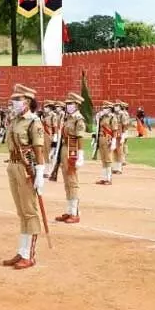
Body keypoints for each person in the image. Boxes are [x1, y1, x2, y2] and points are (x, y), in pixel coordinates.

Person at [2, 84, 47, 270]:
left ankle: (29, 255)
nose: (14, 102)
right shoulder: (16, 120)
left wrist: (40, 172)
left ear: (27, 101)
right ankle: (22, 251)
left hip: (26, 168)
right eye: (13, 99)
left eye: (17, 99)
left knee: (29, 211)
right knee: (21, 212)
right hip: (12, 165)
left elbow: (38, 148)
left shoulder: (33, 122)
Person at [55, 92, 86, 224]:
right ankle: (68, 211)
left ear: (77, 105)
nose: (68, 106)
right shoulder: (67, 118)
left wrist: (80, 155)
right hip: (64, 147)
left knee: (72, 181)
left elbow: (79, 138)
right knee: (67, 181)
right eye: (67, 104)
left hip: (73, 147)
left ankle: (75, 212)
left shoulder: (79, 119)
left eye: (71, 104)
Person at [96, 100, 119, 185]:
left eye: (105, 108)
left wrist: (113, 141)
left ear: (109, 109)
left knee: (108, 159)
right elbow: (98, 127)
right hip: (101, 138)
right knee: (103, 159)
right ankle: (103, 178)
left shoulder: (113, 117)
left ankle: (109, 178)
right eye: (103, 108)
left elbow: (115, 130)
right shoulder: (102, 117)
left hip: (108, 139)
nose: (104, 109)